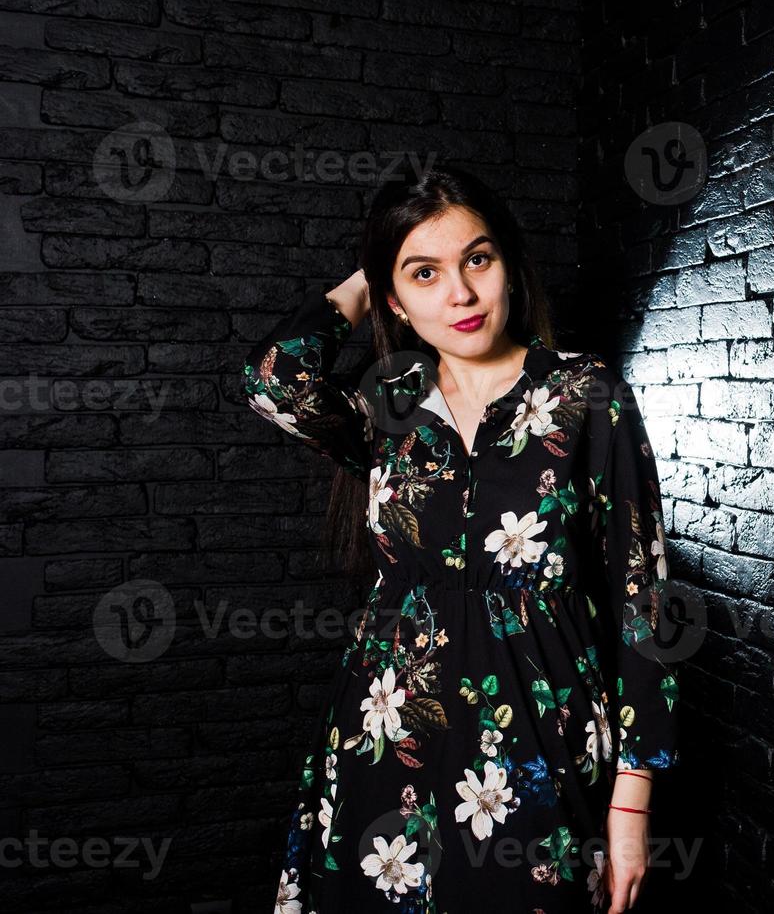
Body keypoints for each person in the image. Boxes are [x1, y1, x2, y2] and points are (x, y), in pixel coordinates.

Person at [239, 165, 679, 913]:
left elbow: (644, 603)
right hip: (386, 726)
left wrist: (632, 805)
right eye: (424, 273)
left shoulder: (585, 395)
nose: (460, 294)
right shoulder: (388, 401)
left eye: (477, 259)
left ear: (508, 264)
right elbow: (274, 382)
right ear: (394, 300)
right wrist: (372, 272)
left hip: (539, 741)